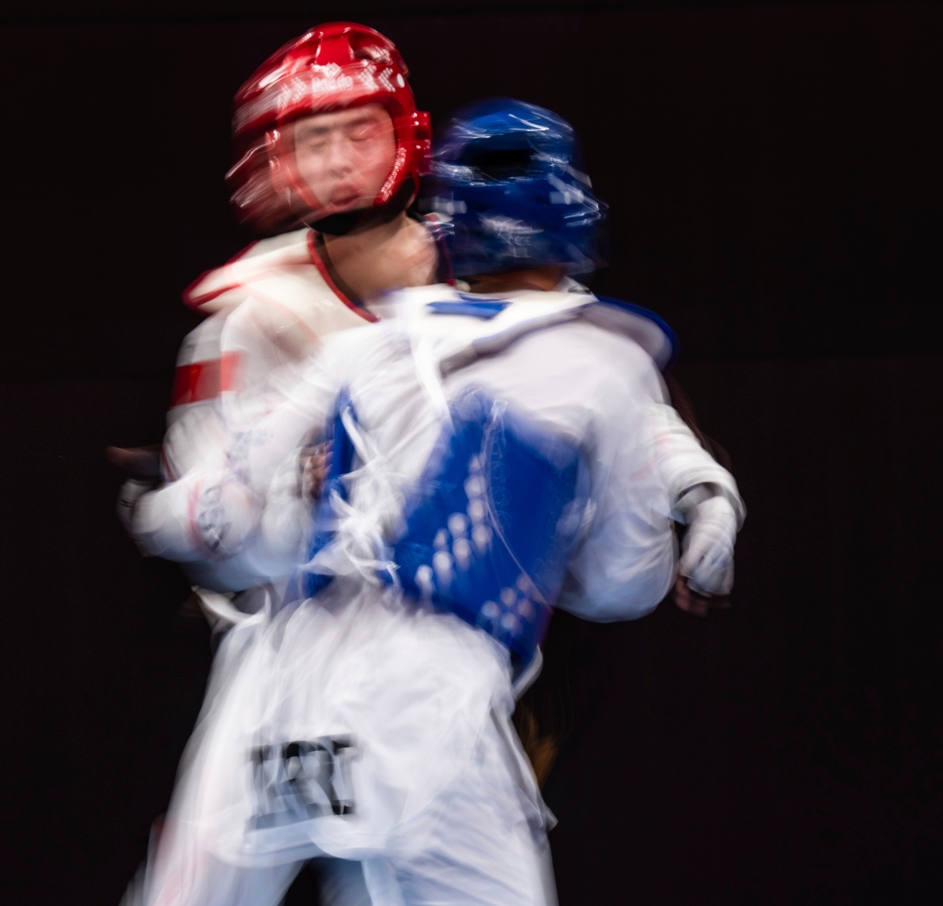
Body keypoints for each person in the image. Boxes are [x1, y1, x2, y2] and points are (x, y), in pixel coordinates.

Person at [127, 99, 744, 906]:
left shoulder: (364, 341)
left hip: (269, 702)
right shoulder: (603, 359)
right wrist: (676, 524)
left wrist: (153, 510)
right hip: (421, 708)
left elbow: (215, 517)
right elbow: (619, 586)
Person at [114, 22, 437, 607]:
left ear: (403, 136)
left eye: (361, 132)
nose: (339, 162)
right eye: (314, 141)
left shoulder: (482, 278)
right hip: (312, 646)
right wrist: (300, 502)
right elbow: (212, 560)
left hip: (493, 649)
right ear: (282, 162)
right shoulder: (250, 315)